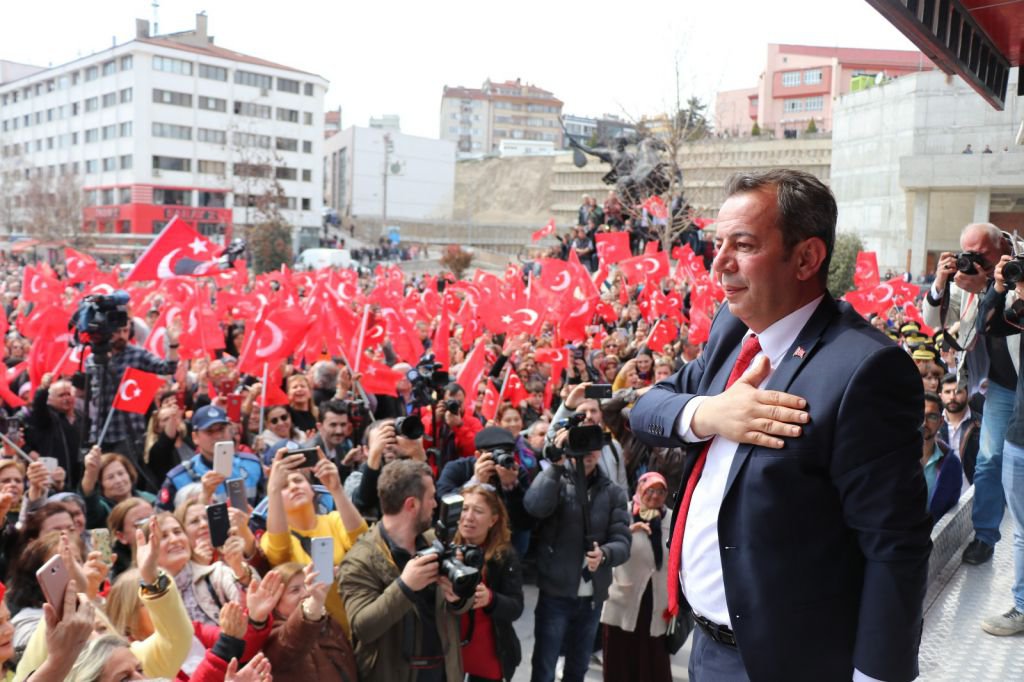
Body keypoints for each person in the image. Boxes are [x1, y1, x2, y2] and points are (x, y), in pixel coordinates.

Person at [630, 169, 932, 681]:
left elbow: (894, 545)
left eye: (742, 245)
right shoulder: (732, 328)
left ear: (807, 257)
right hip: (705, 650)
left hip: (792, 663)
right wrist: (710, 414)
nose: (718, 264)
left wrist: (877, 676)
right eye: (716, 243)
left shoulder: (864, 370)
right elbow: (647, 408)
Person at [922, 223, 1016, 565]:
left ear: (1002, 243)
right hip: (1001, 385)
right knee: (989, 459)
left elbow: (1010, 314)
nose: (972, 260)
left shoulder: (1019, 263)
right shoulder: (969, 279)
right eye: (967, 254)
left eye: (981, 254)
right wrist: (941, 283)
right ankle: (986, 536)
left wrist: (991, 284)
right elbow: (935, 319)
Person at [338, 459, 470, 682]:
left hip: (443, 671)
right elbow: (362, 628)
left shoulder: (433, 541)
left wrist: (457, 597)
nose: (436, 505)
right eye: (430, 498)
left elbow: (460, 605)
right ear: (412, 504)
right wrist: (405, 587)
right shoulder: (359, 560)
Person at [524, 424, 631, 682]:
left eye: (594, 447)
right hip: (555, 592)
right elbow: (534, 506)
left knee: (578, 667)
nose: (588, 453)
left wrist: (605, 554)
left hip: (592, 596)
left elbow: (623, 541)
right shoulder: (557, 480)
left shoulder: (613, 492)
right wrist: (557, 465)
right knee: (545, 666)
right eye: (581, 445)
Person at [260, 447, 368, 636]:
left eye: (298, 480)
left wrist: (336, 489)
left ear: (312, 491)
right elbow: (279, 546)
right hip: (311, 637)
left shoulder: (334, 519)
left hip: (352, 627)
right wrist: (274, 488)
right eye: (285, 486)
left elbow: (361, 539)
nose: (293, 487)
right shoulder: (272, 537)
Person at [976, 253, 1024, 635]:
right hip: (1020, 435)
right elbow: (986, 326)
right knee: (1023, 528)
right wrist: (1000, 288)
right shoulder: (1019, 309)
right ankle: (1023, 607)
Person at [600, 472, 673, 682]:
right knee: (620, 658)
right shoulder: (623, 514)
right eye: (650, 489)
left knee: (654, 660)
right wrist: (628, 531)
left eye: (661, 491)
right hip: (624, 596)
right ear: (640, 489)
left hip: (657, 600)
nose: (655, 496)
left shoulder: (672, 518)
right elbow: (606, 545)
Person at [452, 483, 524, 682]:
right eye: (464, 508)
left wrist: (491, 599)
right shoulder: (445, 546)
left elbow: (516, 607)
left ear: (493, 520)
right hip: (449, 654)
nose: (468, 517)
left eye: (478, 511)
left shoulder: (504, 555)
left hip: (487, 655)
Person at [86, 317, 180, 461]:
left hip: (128, 433)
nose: (122, 335)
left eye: (126, 331)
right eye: (117, 331)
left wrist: (173, 345)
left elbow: (167, 368)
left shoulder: (137, 354)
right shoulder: (92, 359)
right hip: (100, 433)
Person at [261, 561, 358, 682]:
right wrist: (314, 605)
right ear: (275, 601)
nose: (306, 593)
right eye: (295, 590)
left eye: (307, 586)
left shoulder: (330, 623)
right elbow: (291, 640)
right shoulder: (270, 635)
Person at [158, 405, 265, 510]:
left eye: (221, 429)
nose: (218, 436)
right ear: (195, 437)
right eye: (209, 431)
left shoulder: (251, 464)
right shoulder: (179, 478)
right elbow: (163, 518)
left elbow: (267, 508)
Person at [79, 446, 157, 529]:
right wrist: (90, 473)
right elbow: (88, 497)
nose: (118, 480)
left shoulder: (150, 499)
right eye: (110, 477)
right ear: (100, 484)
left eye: (121, 473)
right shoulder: (102, 510)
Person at [921, 392, 963, 524]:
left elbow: (950, 512)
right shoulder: (894, 459)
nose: (924, 423)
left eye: (931, 416)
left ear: (941, 422)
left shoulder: (951, 465)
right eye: (919, 415)